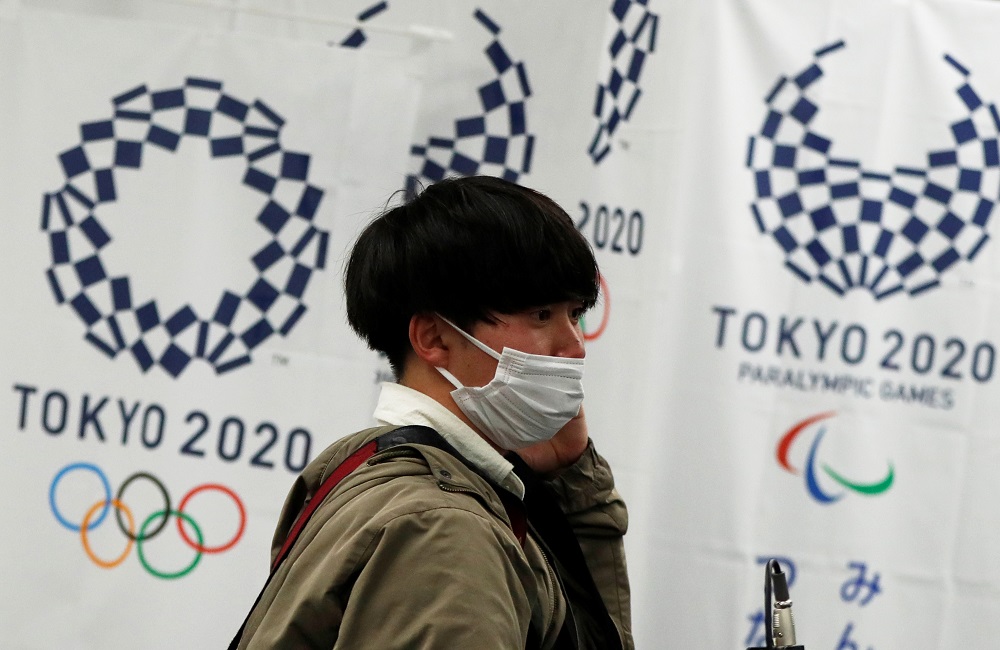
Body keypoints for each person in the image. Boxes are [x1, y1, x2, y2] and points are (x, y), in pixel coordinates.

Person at [232, 175, 633, 649]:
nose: (573, 346)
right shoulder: (444, 530)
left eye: (575, 314)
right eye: (542, 315)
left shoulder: (360, 465)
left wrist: (571, 487)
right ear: (434, 339)